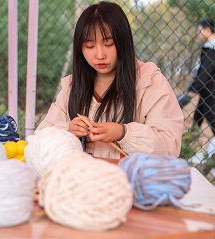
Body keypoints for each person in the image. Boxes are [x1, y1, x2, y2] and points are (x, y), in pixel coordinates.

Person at [38, 1, 183, 160]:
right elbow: (41, 139)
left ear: (123, 42)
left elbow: (169, 146)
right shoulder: (72, 86)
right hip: (80, 178)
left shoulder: (149, 81)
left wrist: (124, 134)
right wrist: (68, 131)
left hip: (129, 181)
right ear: (80, 48)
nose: (100, 55)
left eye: (108, 44)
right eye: (89, 46)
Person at [178, 19, 215, 159]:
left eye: (200, 30)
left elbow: (205, 72)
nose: (198, 33)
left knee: (212, 120)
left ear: (207, 30)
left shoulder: (212, 49)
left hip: (210, 92)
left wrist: (193, 89)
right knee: (197, 119)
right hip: (206, 91)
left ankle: (188, 148)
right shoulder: (209, 47)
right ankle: (187, 149)